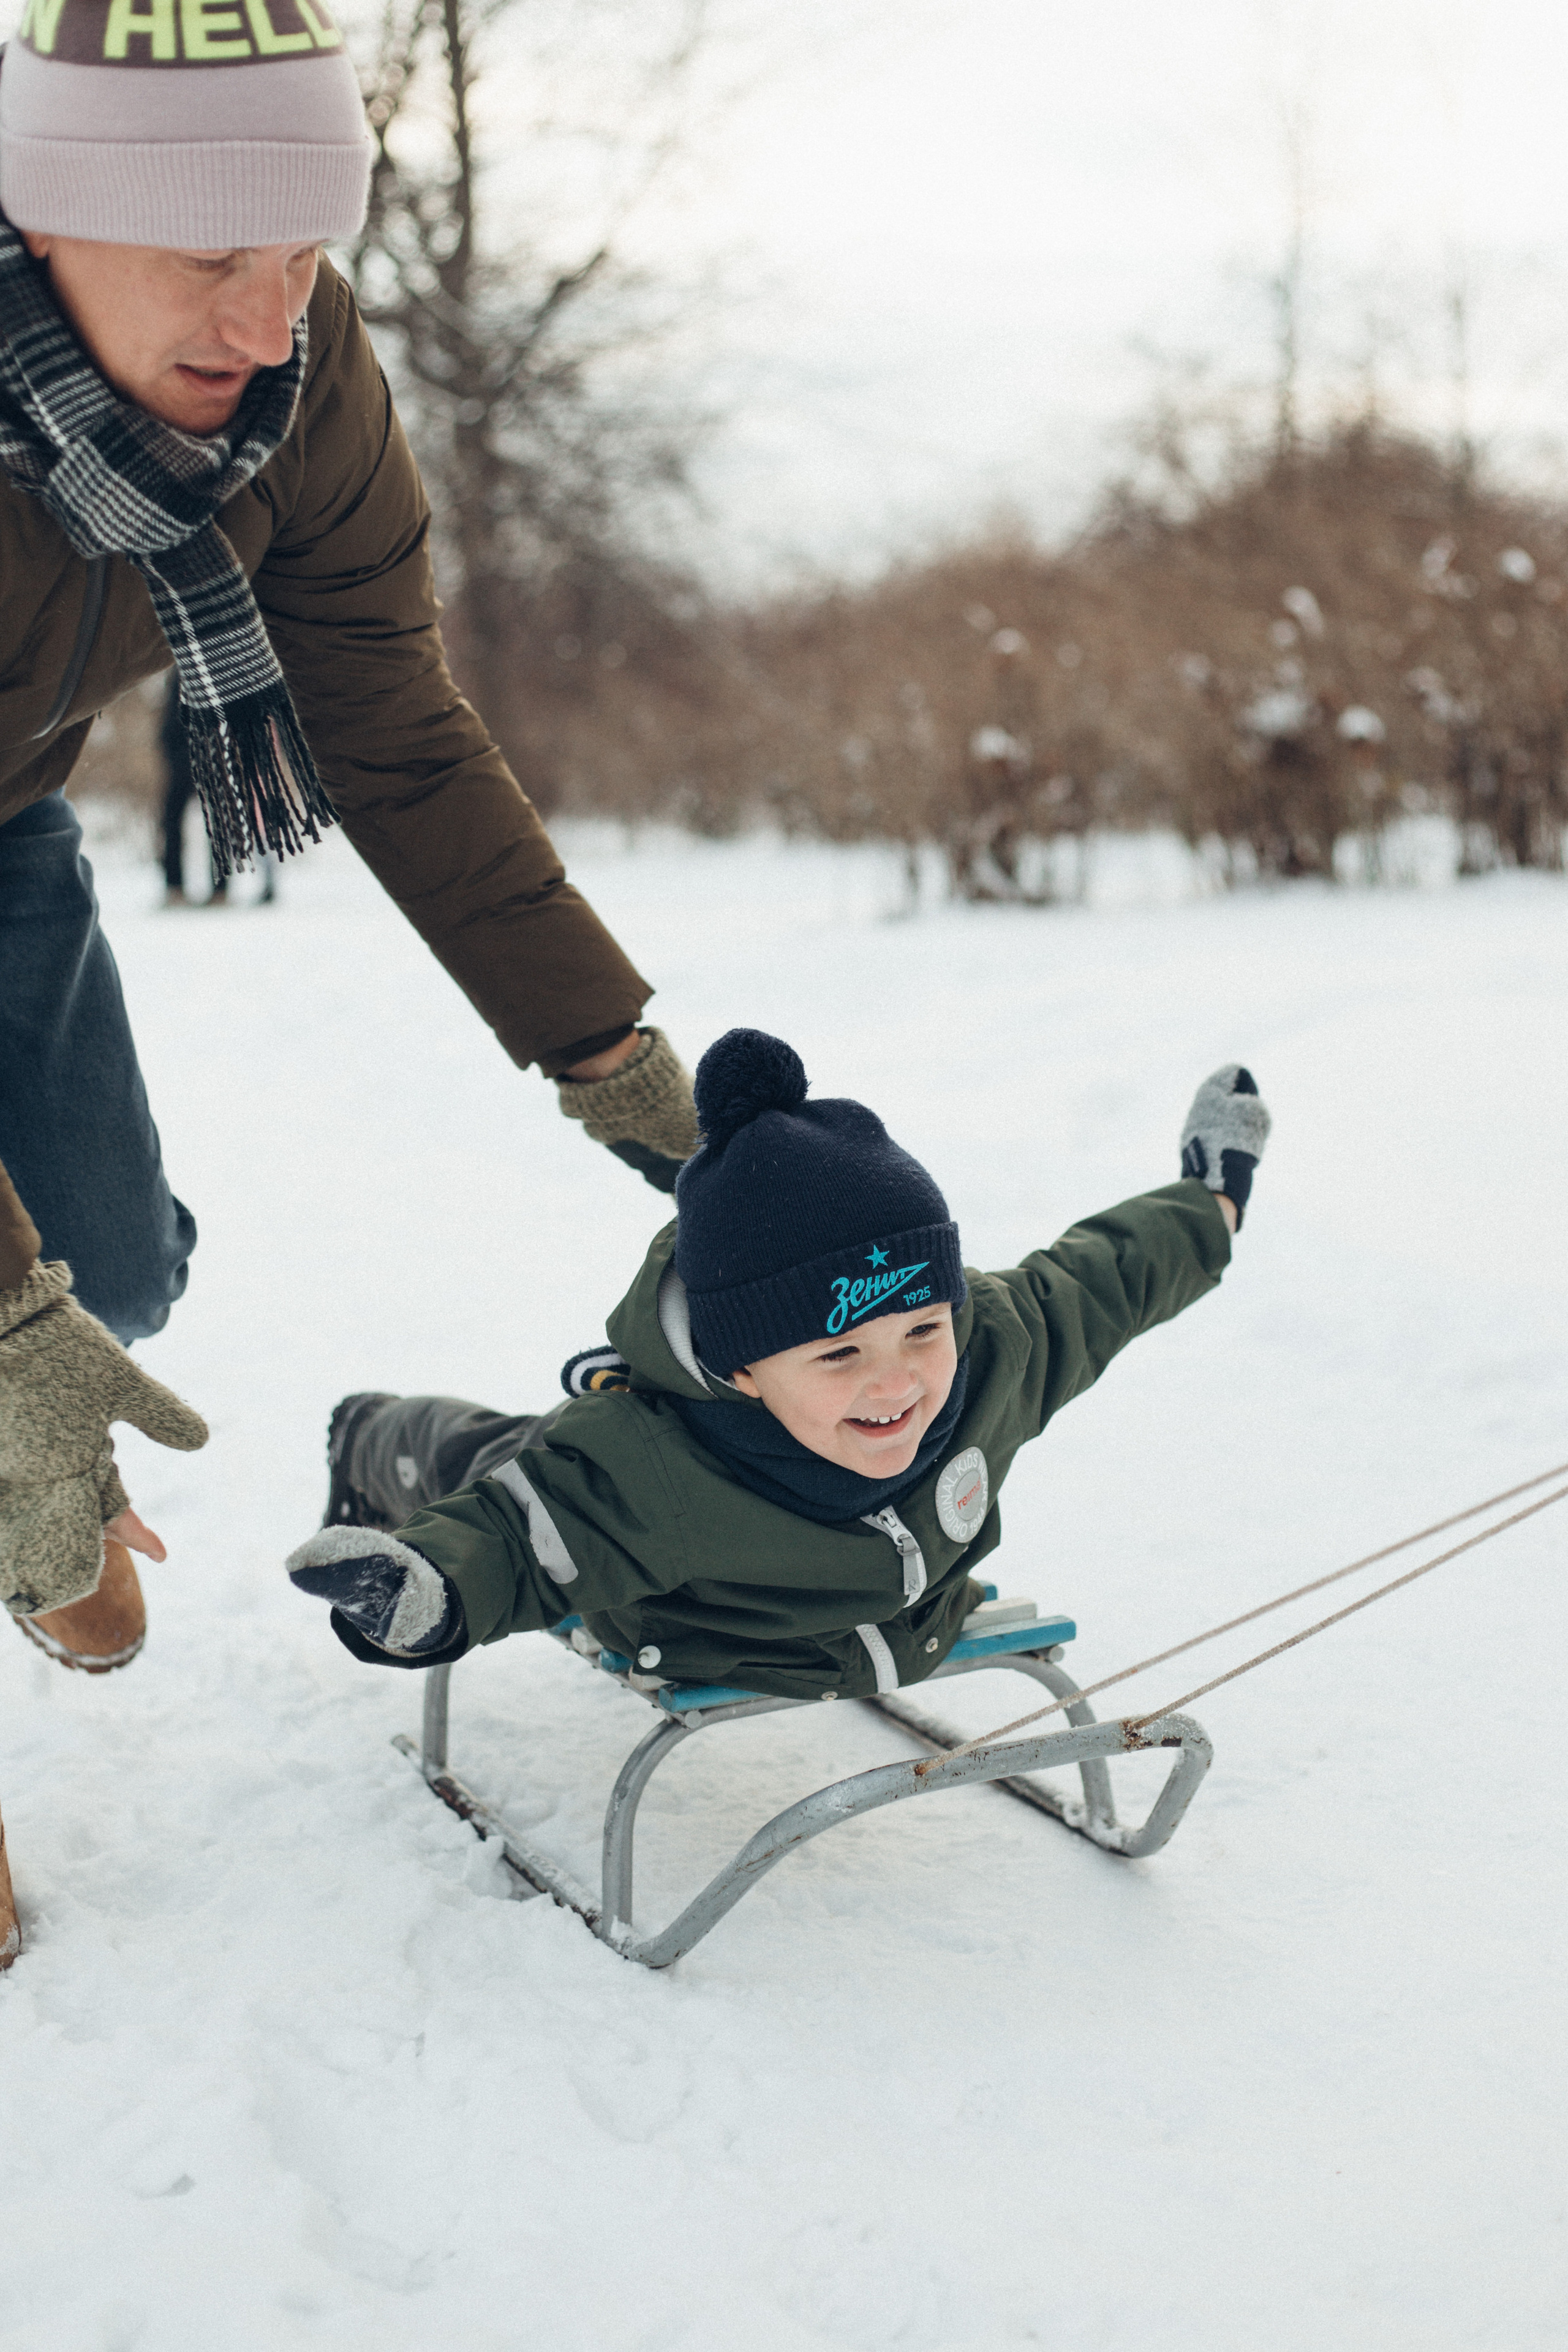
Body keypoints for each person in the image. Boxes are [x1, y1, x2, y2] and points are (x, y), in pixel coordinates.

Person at [0, 0, 698, 1966]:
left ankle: (22, 1464)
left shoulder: (302, 383)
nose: (264, 309)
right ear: (42, 213)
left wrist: (614, 1048)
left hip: (6, 823)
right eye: (207, 252)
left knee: (105, 1280)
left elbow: (387, 728)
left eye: (302, 244)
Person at [285, 1038, 1271, 1715]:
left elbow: (1099, 1283)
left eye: (923, 1328)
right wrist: (425, 1595)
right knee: (496, 1467)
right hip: (688, 1609)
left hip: (899, 1621)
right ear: (742, 1370)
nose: (897, 1385)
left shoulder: (990, 1356)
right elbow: (514, 1538)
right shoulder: (649, 1469)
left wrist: (1209, 1202)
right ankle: (368, 1428)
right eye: (840, 1354)